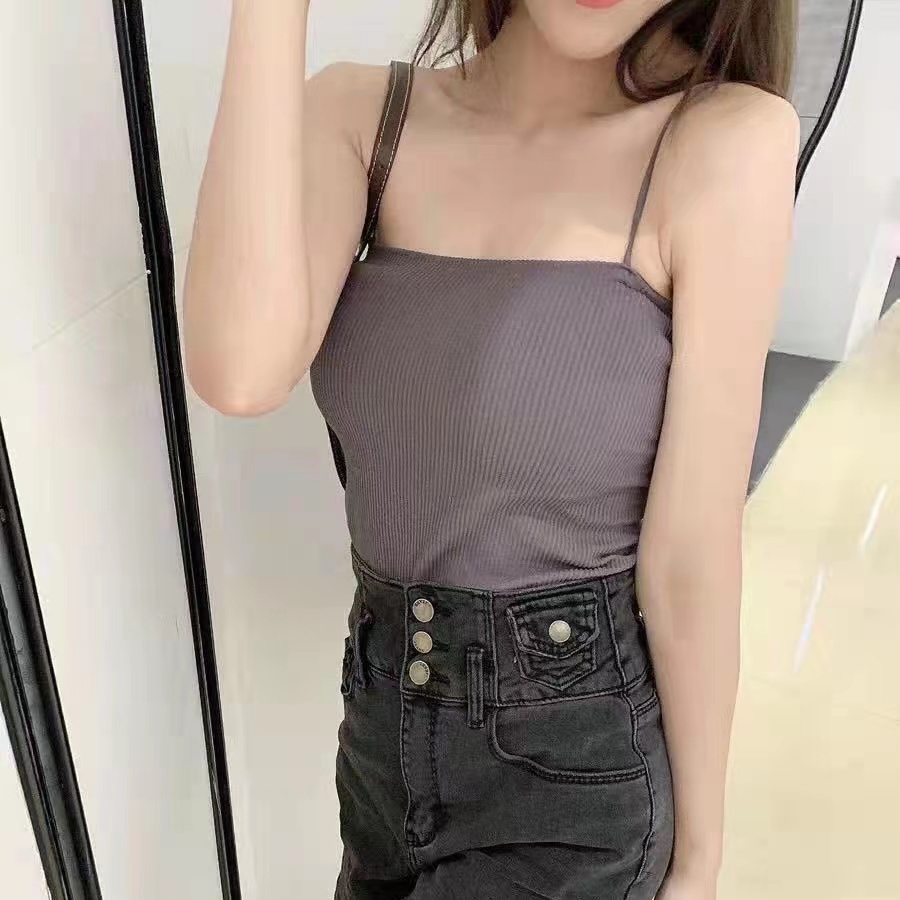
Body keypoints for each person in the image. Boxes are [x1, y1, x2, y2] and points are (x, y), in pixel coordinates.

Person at [184, 0, 799, 897]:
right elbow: (239, 371)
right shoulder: (362, 117)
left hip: (573, 772)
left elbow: (691, 552)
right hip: (381, 744)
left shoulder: (723, 141)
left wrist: (699, 858)